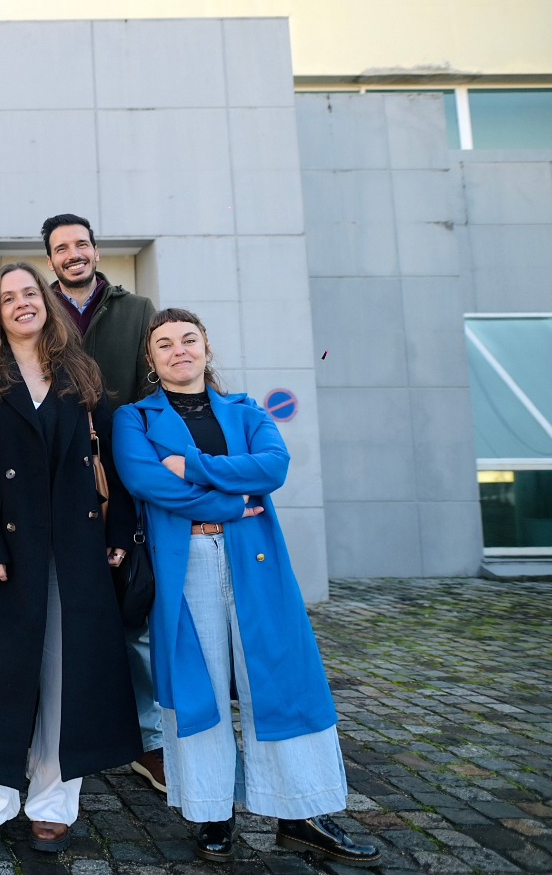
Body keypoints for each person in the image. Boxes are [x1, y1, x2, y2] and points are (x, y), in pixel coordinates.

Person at [112, 308, 382, 867]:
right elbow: (145, 481)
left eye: (189, 339)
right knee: (200, 685)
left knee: (279, 679)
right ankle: (212, 813)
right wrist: (231, 504)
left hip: (256, 563)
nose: (179, 350)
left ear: (206, 349)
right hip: (185, 564)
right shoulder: (134, 419)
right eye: (165, 344)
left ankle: (302, 814)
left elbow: (273, 468)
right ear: (151, 360)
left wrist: (192, 465)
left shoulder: (246, 409)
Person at [0, 262, 141, 859]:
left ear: (46, 303)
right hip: (6, 554)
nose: (21, 303)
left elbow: (112, 459)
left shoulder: (81, 373)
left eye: (30, 293)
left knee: (65, 679)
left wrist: (119, 530)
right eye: (8, 297)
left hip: (75, 549)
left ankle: (52, 805)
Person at [43, 212, 165, 794]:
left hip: (123, 476)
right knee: (60, 616)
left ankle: (149, 740)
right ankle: (59, 737)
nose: (74, 254)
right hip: (53, 485)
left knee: (133, 614)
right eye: (61, 248)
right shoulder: (37, 308)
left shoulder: (136, 311)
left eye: (81, 244)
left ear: (95, 250)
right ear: (50, 260)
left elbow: (153, 392)